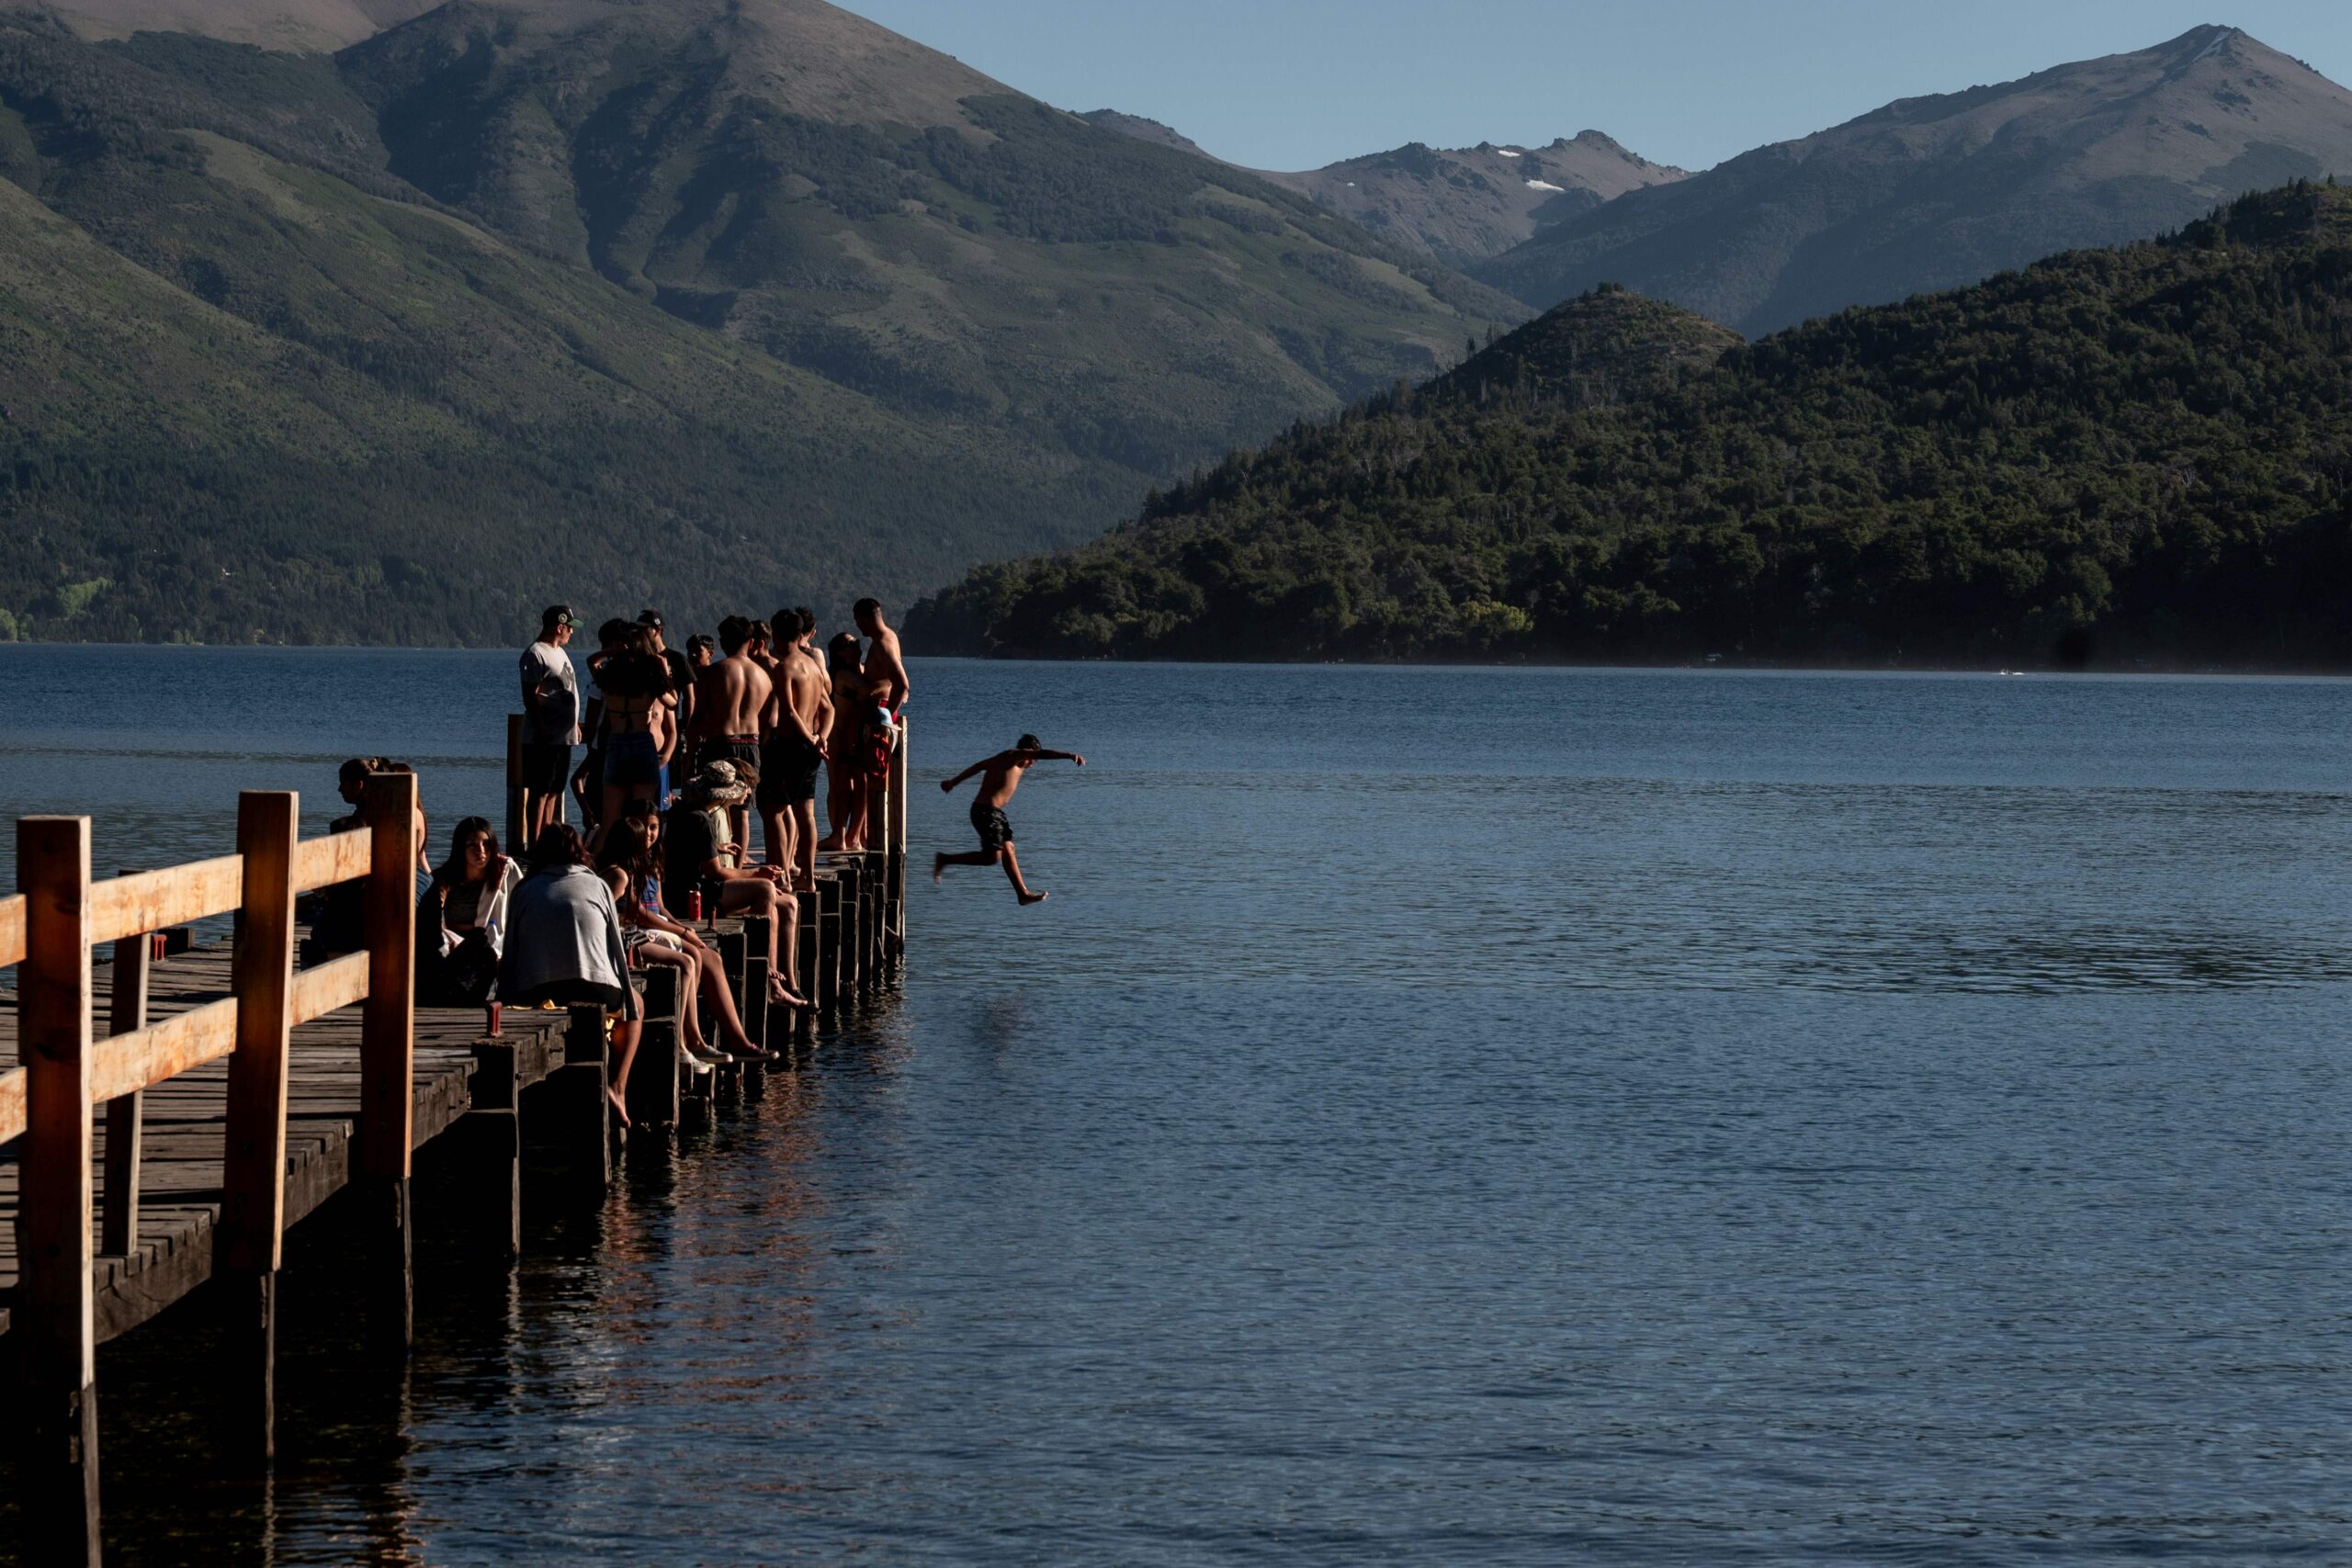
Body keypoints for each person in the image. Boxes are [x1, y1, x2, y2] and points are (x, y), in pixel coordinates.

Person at [598, 802, 797, 1061]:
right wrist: (681, 932)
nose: (649, 833)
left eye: (654, 827)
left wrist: (683, 927)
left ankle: (739, 1041)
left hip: (657, 925)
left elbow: (659, 907)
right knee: (690, 957)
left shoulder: (652, 860)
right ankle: (693, 1041)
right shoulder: (624, 867)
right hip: (639, 933)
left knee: (712, 957)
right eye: (643, 827)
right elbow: (636, 915)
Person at [500, 825, 641, 1125]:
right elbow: (615, 946)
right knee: (637, 1007)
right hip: (596, 990)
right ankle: (618, 1087)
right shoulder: (598, 885)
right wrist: (627, 997)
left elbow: (511, 948)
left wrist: (506, 997)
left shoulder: (524, 889)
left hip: (539, 991)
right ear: (580, 852)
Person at [663, 761, 804, 1007]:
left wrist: (716, 848)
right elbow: (715, 872)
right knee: (765, 889)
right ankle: (768, 972)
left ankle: (781, 983)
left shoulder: (686, 811)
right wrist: (758, 873)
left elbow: (688, 848)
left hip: (681, 890)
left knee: (774, 903)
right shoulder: (703, 820)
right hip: (690, 897)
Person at [934, 735, 1084, 905]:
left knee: (1009, 849)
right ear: (1028, 752)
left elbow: (979, 766)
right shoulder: (1013, 755)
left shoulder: (1007, 760)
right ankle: (945, 859)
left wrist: (954, 781)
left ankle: (1022, 894)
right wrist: (1070, 755)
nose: (1032, 764)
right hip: (985, 812)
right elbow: (1043, 754)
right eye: (1033, 758)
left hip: (996, 813)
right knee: (992, 858)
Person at [758, 605, 831, 888]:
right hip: (810, 749)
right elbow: (829, 708)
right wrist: (821, 736)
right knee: (806, 814)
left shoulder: (785, 668)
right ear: (801, 634)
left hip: (790, 745)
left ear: (775, 634)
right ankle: (807, 878)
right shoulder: (813, 666)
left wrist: (811, 738)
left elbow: (789, 711)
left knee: (771, 809)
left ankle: (780, 877)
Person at [418, 817, 521, 1006]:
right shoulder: (444, 878)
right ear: (460, 848)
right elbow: (433, 924)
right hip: (454, 949)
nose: (480, 851)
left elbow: (522, 909)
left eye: (486, 844)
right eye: (472, 845)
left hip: (494, 947)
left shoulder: (503, 871)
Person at [592, 622, 676, 850]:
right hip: (643, 742)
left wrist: (612, 652)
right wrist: (663, 668)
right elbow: (673, 701)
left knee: (609, 819)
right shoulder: (649, 679)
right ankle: (642, 868)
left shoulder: (609, 678)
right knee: (643, 814)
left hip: (616, 742)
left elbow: (592, 661)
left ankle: (599, 869)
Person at [691, 615, 771, 853]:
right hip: (751, 742)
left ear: (724, 642)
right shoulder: (763, 677)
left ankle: (718, 859)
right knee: (742, 810)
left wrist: (690, 755)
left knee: (716, 805)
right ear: (751, 641)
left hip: (721, 742)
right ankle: (739, 862)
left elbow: (698, 717)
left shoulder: (714, 673)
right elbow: (767, 721)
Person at [518, 606, 584, 851]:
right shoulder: (535, 654)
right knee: (540, 792)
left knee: (555, 790)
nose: (571, 633)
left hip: (563, 737)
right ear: (559, 626)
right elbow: (530, 697)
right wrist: (542, 729)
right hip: (543, 738)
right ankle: (534, 846)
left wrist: (574, 722)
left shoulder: (561, 653)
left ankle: (547, 842)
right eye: (569, 628)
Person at [818, 632, 872, 852]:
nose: (859, 645)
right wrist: (894, 682)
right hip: (838, 736)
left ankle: (853, 835)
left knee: (853, 785)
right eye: (854, 643)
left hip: (851, 735)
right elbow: (869, 690)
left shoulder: (857, 670)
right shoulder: (842, 674)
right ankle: (840, 834)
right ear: (842, 652)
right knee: (839, 786)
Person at [854, 597, 910, 713]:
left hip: (879, 709)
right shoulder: (890, 635)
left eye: (857, 620)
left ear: (865, 619)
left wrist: (885, 718)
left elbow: (902, 685)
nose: (857, 625)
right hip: (880, 708)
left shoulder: (882, 644)